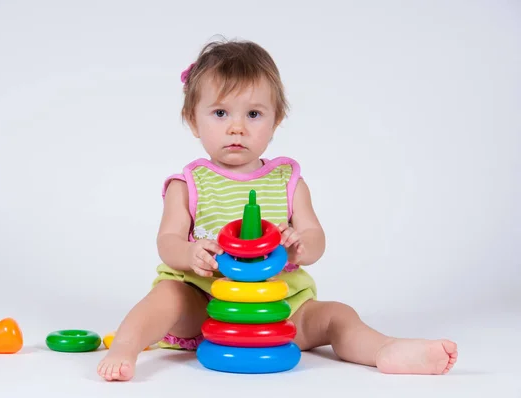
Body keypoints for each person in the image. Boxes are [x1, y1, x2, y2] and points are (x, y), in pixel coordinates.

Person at [97, 38, 458, 381]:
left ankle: (386, 350)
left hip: (278, 308)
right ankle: (125, 350)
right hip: (204, 304)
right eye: (220, 113)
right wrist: (191, 252)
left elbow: (315, 239)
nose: (236, 127)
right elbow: (167, 241)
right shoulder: (188, 184)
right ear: (193, 119)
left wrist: (300, 243)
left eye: (253, 114)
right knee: (166, 296)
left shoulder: (289, 182)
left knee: (337, 315)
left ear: (275, 121)